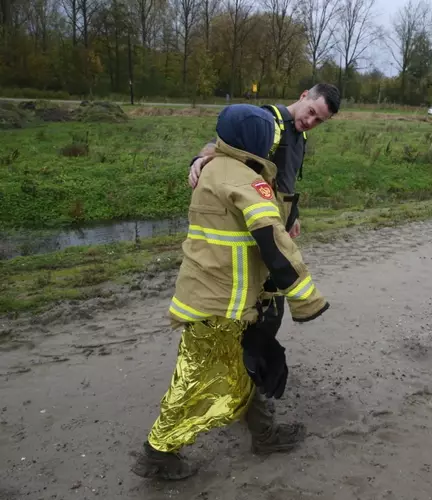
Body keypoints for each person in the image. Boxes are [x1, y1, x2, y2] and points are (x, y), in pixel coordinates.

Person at [131, 104, 330, 480]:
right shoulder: (243, 180)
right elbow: (272, 239)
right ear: (256, 142)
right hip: (224, 304)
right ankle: (158, 452)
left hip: (214, 295)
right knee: (202, 379)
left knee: (247, 365)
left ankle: (264, 433)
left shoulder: (216, 166)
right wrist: (307, 298)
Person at [187, 83, 340, 427]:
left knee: (267, 315)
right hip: (255, 235)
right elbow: (222, 143)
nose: (311, 121)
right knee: (261, 315)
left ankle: (247, 382)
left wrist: (293, 215)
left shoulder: (300, 137)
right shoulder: (267, 121)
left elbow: (285, 184)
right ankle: (248, 390)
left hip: (273, 227)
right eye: (312, 112)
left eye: (320, 121)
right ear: (303, 96)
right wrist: (200, 157)